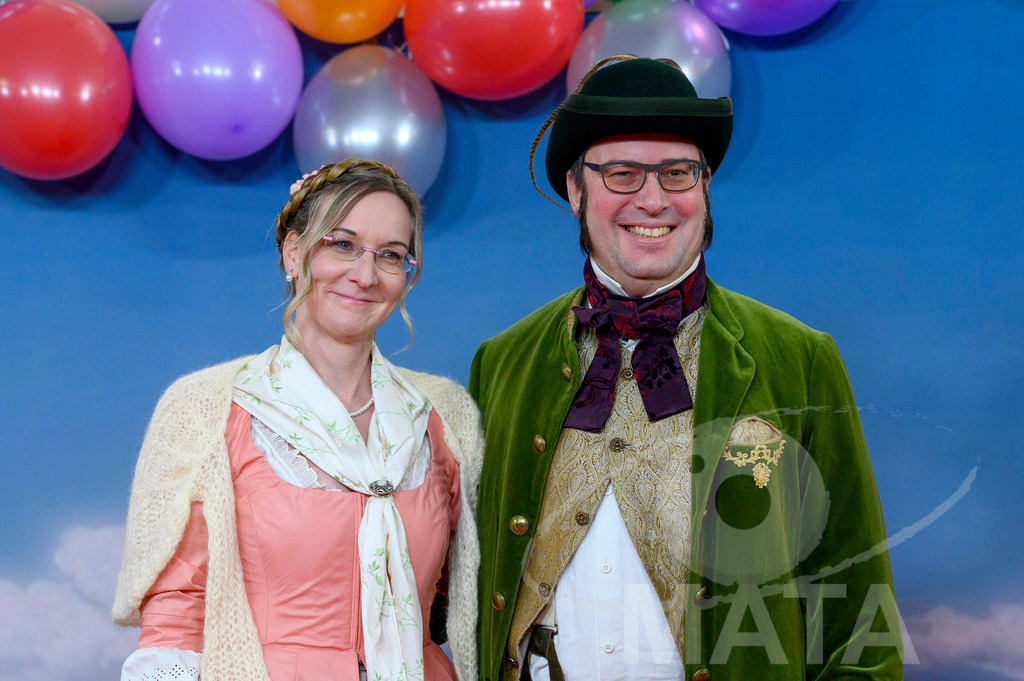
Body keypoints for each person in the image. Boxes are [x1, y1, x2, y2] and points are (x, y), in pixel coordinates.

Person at [469, 57, 903, 681]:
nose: (653, 198)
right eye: (621, 173)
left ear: (703, 187)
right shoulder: (502, 361)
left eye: (677, 173)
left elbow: (861, 614)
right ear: (575, 190)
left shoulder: (799, 358)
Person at [112, 159, 481, 681]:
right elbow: (176, 613)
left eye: (391, 256)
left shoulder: (446, 415)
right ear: (292, 251)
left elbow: (464, 595)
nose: (365, 274)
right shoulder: (205, 407)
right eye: (342, 244)